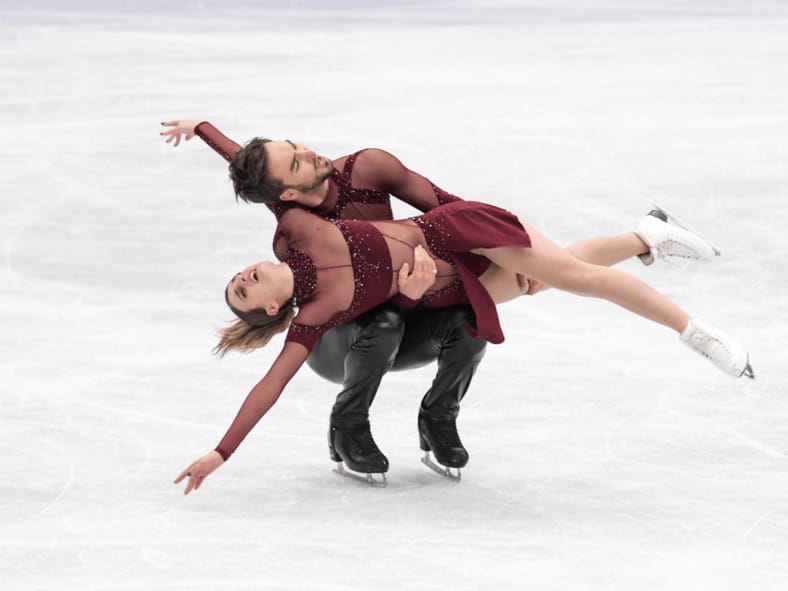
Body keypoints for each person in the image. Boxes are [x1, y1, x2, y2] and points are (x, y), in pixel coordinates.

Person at [161, 119, 718, 481]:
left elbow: (442, 208)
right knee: (382, 320)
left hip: (426, 276)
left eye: (297, 147)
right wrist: (222, 452)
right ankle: (349, 426)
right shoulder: (295, 227)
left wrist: (499, 249)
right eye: (244, 287)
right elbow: (273, 380)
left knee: (535, 283)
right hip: (350, 332)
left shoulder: (361, 170)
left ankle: (646, 238)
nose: (308, 151)